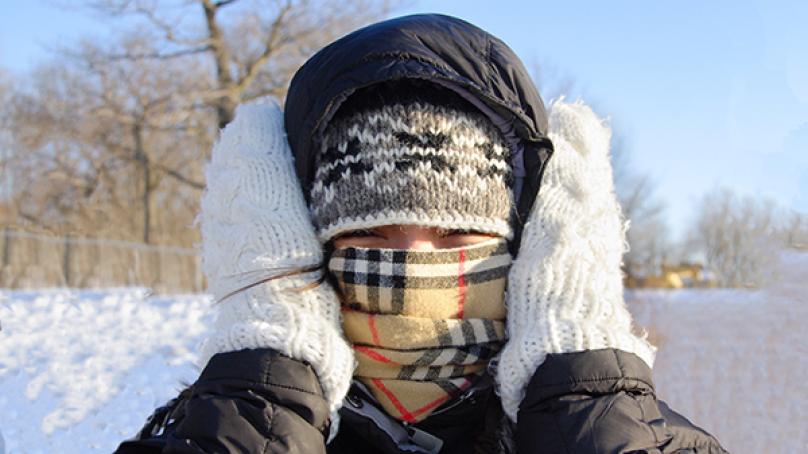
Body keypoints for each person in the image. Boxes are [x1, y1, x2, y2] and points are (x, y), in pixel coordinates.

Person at [115, 14, 727, 453]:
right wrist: (267, 389)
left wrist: (580, 387)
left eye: (459, 235)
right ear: (304, 245)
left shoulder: (647, 438)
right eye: (371, 235)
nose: (411, 261)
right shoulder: (213, 426)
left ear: (533, 251)